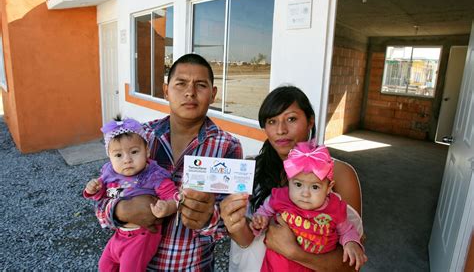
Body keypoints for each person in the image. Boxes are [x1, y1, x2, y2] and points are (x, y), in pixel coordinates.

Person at [94, 53, 242, 271]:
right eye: (180, 84)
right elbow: (108, 192)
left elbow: (232, 220)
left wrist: (209, 218)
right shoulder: (140, 139)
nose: (190, 92)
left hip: (193, 267)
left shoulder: (227, 147)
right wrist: (120, 209)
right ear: (165, 91)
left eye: (200, 85)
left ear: (213, 94)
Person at [220, 85, 365, 272]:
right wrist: (234, 224)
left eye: (291, 119)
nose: (281, 130)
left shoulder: (339, 174)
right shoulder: (252, 169)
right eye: (272, 121)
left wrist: (294, 253)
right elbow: (246, 240)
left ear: (310, 121)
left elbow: (352, 265)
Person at [250, 142, 366, 271]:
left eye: (315, 187)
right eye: (298, 185)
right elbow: (265, 211)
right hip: (275, 268)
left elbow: (347, 230)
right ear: (288, 180)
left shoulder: (335, 208)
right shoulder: (280, 197)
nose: (305, 194)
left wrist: (351, 243)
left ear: (329, 188)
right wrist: (260, 220)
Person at [83, 116, 179, 271]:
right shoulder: (110, 174)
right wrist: (94, 190)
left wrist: (167, 206)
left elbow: (174, 196)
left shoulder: (153, 175)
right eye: (118, 155)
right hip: (119, 234)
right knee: (104, 265)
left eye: (134, 152)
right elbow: (103, 196)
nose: (127, 160)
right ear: (110, 156)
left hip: (142, 237)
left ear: (147, 151)